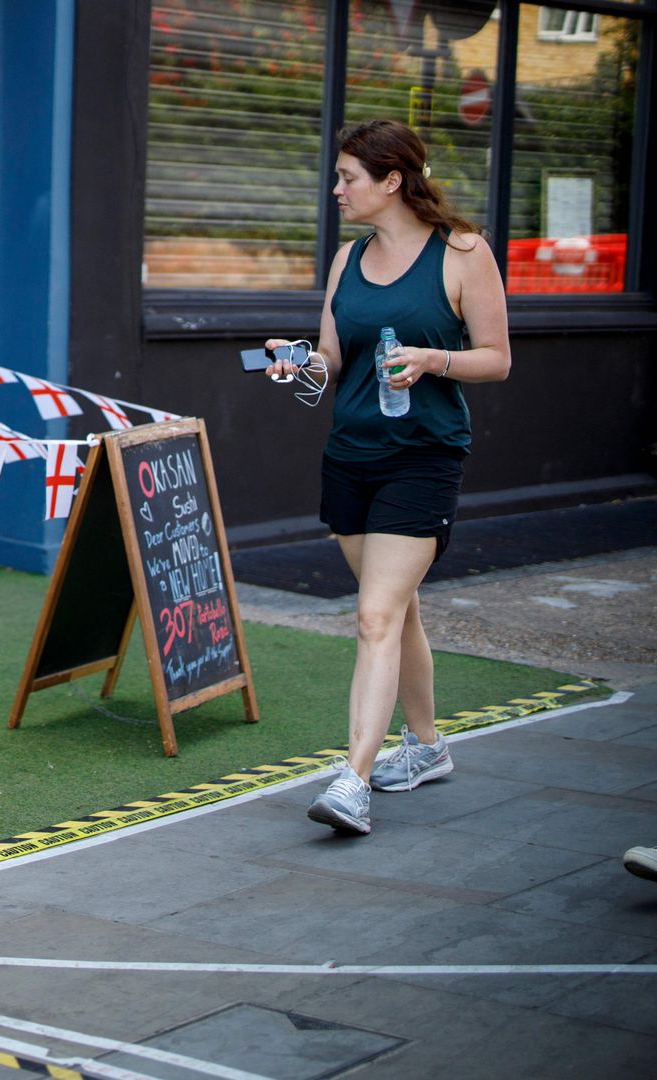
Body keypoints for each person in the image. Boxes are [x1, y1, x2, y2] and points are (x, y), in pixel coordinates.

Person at [262, 119, 510, 835]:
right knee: (397, 611)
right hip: (350, 456)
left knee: (374, 617)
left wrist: (435, 360)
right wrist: (296, 359)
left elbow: (496, 358)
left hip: (423, 457)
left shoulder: (463, 253)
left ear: (391, 181)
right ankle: (427, 747)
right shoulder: (347, 260)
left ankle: (354, 782)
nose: (336, 190)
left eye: (348, 178)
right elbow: (334, 357)